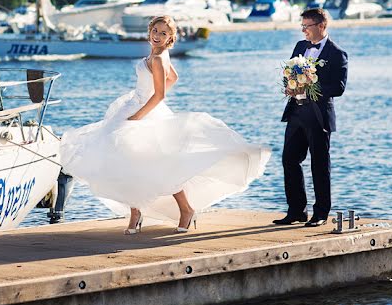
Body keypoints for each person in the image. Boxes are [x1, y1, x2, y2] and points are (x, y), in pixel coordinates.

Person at [60, 15, 270, 235]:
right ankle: (135, 212)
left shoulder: (159, 59)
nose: (158, 36)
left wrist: (138, 115)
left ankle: (186, 209)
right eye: (155, 31)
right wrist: (140, 102)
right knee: (126, 162)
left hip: (143, 112)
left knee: (163, 165)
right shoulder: (156, 55)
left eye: (164, 33)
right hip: (132, 106)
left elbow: (159, 96)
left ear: (170, 38)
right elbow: (174, 78)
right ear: (150, 31)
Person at [274, 7, 348, 228]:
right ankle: (296, 211)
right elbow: (289, 73)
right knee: (289, 160)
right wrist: (290, 85)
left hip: (318, 116)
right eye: (302, 26)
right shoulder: (300, 47)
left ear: (321, 26)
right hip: (296, 112)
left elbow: (339, 87)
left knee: (319, 164)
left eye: (307, 26)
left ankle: (321, 213)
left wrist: (311, 85)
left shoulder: (337, 53)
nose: (303, 30)